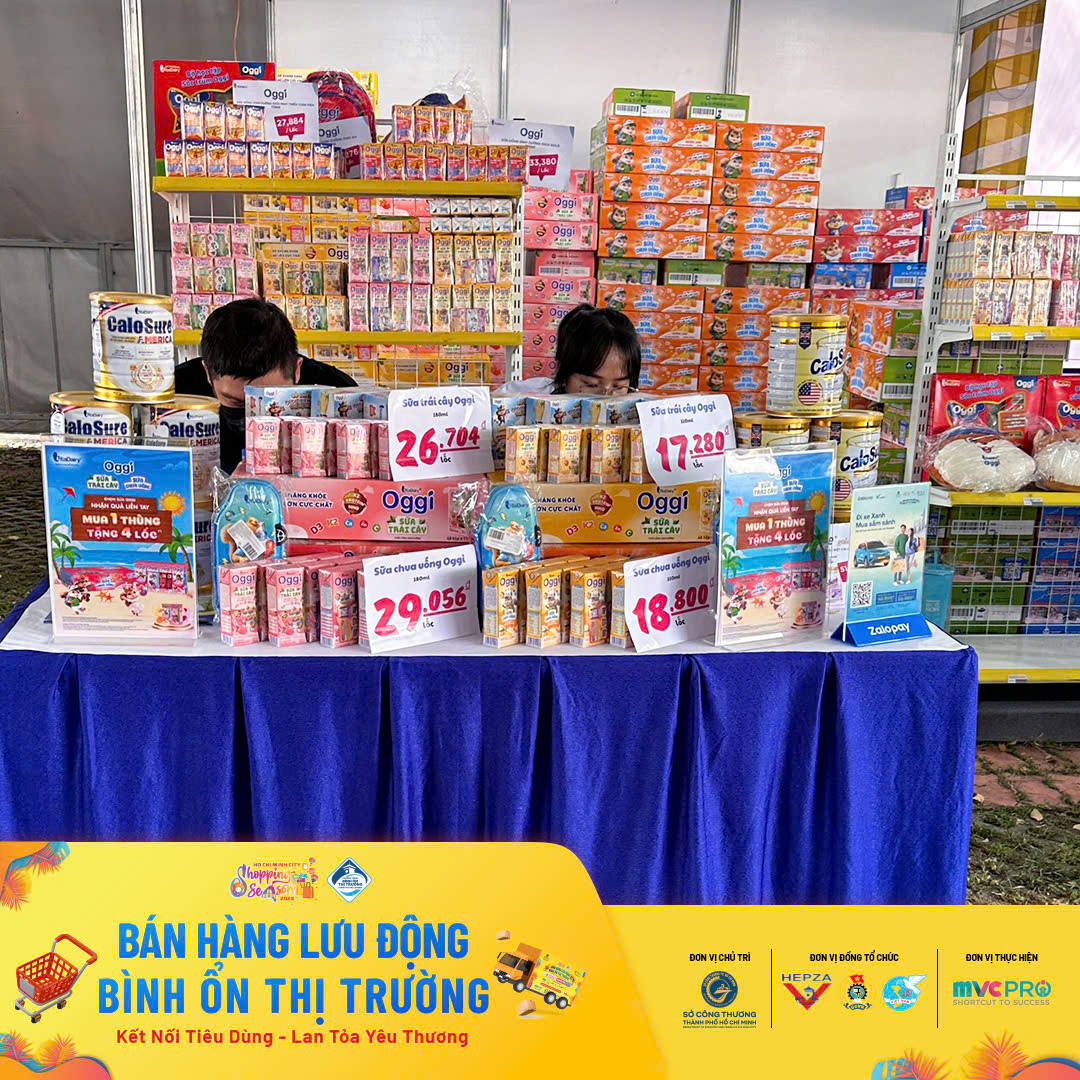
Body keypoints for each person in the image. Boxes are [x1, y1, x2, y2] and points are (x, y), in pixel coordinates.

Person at [174, 298, 355, 472]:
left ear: (297, 369)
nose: (257, 426)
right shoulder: (175, 400)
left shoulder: (340, 395)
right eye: (238, 403)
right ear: (207, 373)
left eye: (272, 400)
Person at [500, 303, 642, 396]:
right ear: (563, 372)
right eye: (591, 385)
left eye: (618, 387)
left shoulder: (639, 415)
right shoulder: (517, 397)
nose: (606, 399)